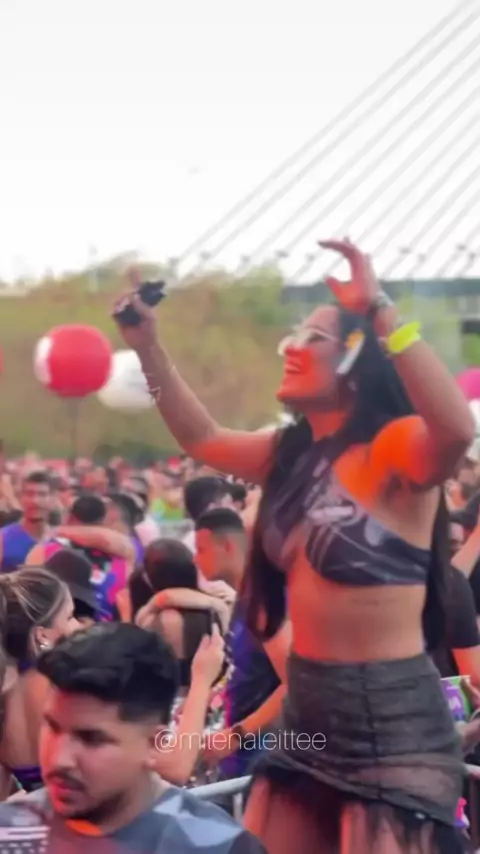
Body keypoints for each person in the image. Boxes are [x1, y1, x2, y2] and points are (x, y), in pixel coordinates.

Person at [113, 241, 475, 853]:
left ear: (354, 360)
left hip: (391, 727)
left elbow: (457, 429)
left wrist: (380, 310)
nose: (291, 348)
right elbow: (201, 436)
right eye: (293, 335)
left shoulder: (393, 452)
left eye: (313, 337)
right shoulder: (289, 455)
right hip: (308, 721)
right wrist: (147, 345)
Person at [0, 624, 266, 853]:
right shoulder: (7, 833)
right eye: (52, 727)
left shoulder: (219, 846)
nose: (60, 759)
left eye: (91, 739)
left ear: (153, 744)